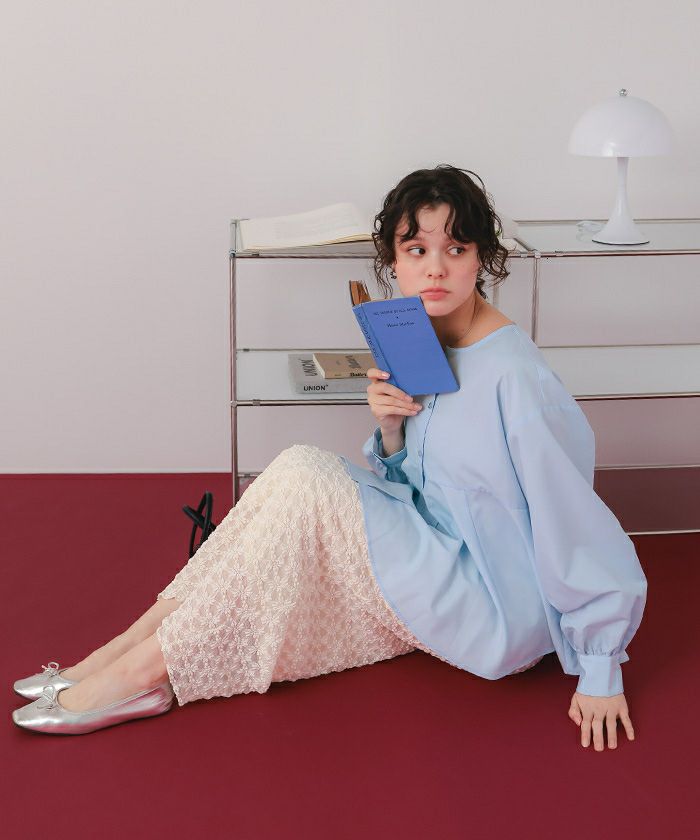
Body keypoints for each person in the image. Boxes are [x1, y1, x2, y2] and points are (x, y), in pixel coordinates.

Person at [12, 164, 647, 751]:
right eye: (416, 250)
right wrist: (392, 430)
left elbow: (573, 521)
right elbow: (429, 481)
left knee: (307, 479)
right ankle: (125, 650)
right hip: (432, 550)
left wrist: (600, 668)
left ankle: (142, 673)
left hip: (494, 603)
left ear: (482, 257)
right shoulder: (423, 336)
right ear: (392, 260)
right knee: (296, 472)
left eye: (456, 250)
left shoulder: (515, 377)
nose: (436, 269)